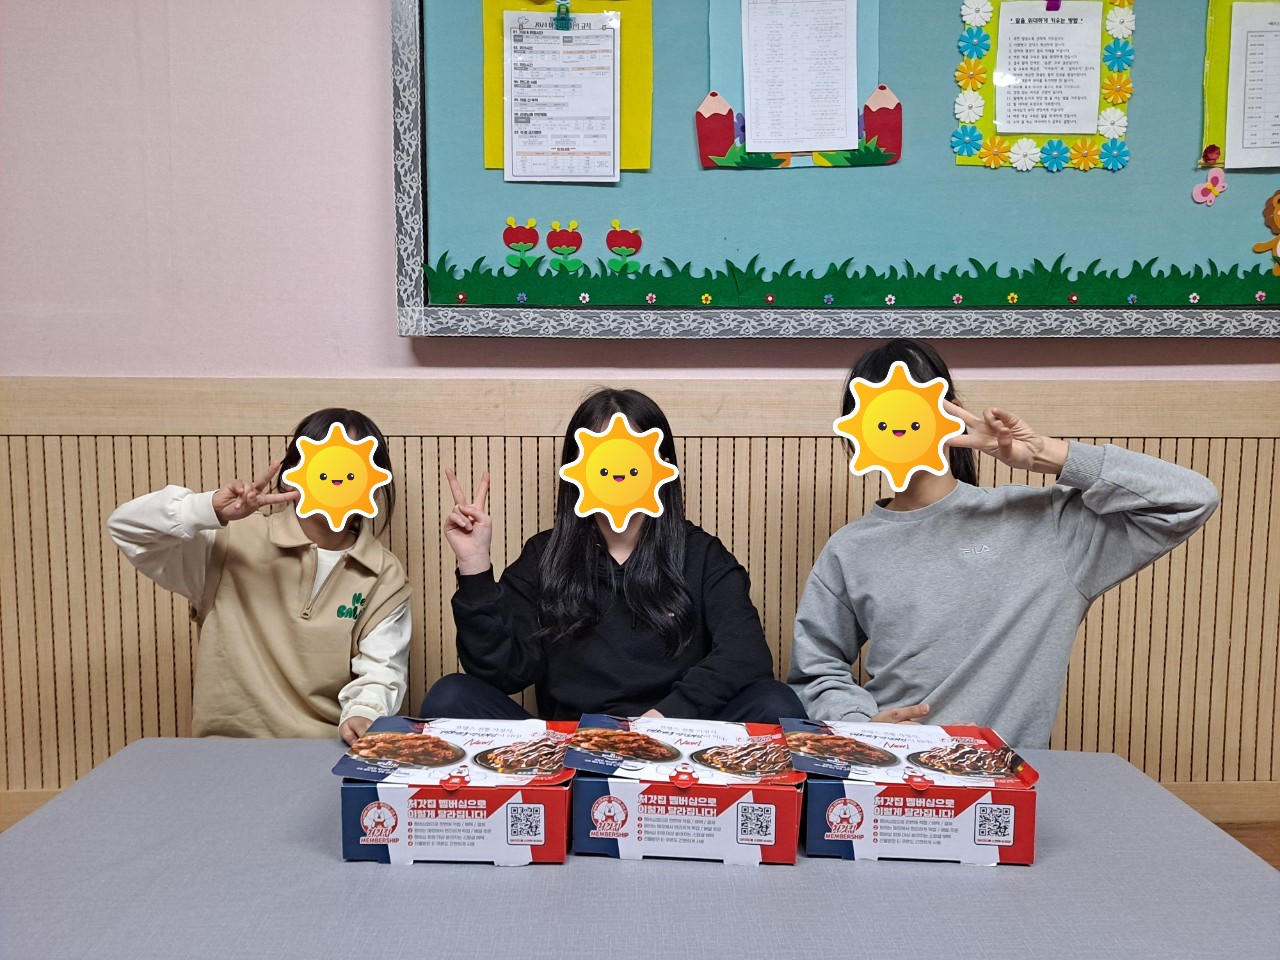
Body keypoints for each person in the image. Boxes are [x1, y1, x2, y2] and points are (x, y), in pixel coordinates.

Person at [788, 339, 1220, 748]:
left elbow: (1190, 499)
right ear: (856, 429)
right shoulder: (850, 548)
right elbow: (816, 670)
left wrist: (1046, 454)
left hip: (1005, 779)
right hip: (890, 770)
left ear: (947, 411)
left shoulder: (1046, 524)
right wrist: (861, 727)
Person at [420, 388, 804, 724]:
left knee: (775, 701)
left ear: (660, 467)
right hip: (569, 746)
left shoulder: (702, 555)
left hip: (677, 737)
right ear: (577, 468)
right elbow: (501, 672)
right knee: (451, 696)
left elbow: (746, 655)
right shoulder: (544, 556)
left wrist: (664, 719)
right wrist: (474, 566)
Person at [108, 408, 411, 744]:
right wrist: (207, 509)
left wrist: (364, 711)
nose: (338, 478)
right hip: (227, 749)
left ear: (376, 485)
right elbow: (126, 528)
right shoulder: (227, 542)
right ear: (294, 473)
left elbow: (382, 669)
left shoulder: (382, 573)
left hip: (325, 748)